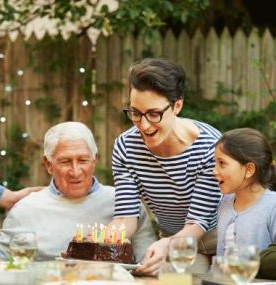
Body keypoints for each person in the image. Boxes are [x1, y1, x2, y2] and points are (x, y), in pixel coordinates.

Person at [109, 57, 222, 275]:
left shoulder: (209, 146)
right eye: (135, 113)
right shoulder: (126, 147)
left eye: (153, 114)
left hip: (216, 239)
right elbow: (125, 216)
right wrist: (102, 243)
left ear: (177, 105)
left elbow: (197, 223)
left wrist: (166, 244)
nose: (144, 125)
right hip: (173, 242)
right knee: (165, 276)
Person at [0, 121, 156, 261]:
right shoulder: (24, 211)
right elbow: (0, 271)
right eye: (65, 161)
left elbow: (146, 264)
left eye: (83, 160)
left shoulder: (125, 204)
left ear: (94, 160)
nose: (76, 171)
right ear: (48, 164)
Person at [214, 128, 276, 256]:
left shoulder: (273, 207)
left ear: (249, 170)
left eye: (222, 163)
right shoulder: (224, 204)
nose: (214, 171)